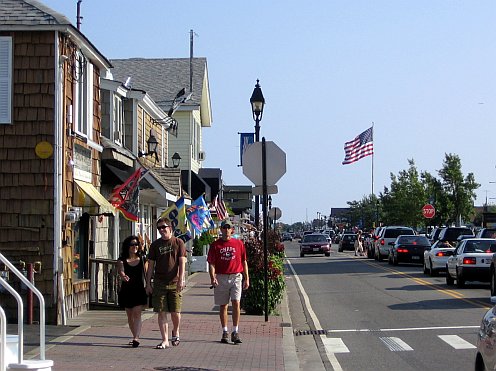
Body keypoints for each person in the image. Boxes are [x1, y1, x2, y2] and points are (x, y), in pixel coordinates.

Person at [146, 217, 187, 349]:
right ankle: (165, 340)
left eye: (164, 227)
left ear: (170, 228)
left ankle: (176, 331)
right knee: (161, 311)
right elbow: (151, 265)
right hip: (159, 282)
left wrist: (181, 279)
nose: (161, 230)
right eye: (159, 228)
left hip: (175, 282)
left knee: (176, 312)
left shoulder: (178, 242)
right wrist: (148, 283)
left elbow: (182, 262)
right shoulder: (155, 245)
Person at [208, 220, 250, 344]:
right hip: (221, 277)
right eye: (224, 228)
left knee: (236, 302)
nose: (226, 230)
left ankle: (235, 331)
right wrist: (212, 277)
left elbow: (244, 261)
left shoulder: (239, 244)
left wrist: (246, 278)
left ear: (232, 230)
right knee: (223, 305)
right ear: (221, 230)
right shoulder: (215, 245)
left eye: (229, 228)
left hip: (236, 276)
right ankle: (225, 331)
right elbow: (212, 263)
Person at [117, 235, 148, 348]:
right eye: (132, 245)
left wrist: (148, 285)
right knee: (130, 315)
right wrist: (123, 275)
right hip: (127, 290)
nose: (134, 247)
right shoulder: (122, 260)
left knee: (137, 313)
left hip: (139, 289)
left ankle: (136, 338)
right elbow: (121, 270)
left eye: (136, 244)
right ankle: (134, 335)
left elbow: (146, 273)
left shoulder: (142, 258)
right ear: (127, 246)